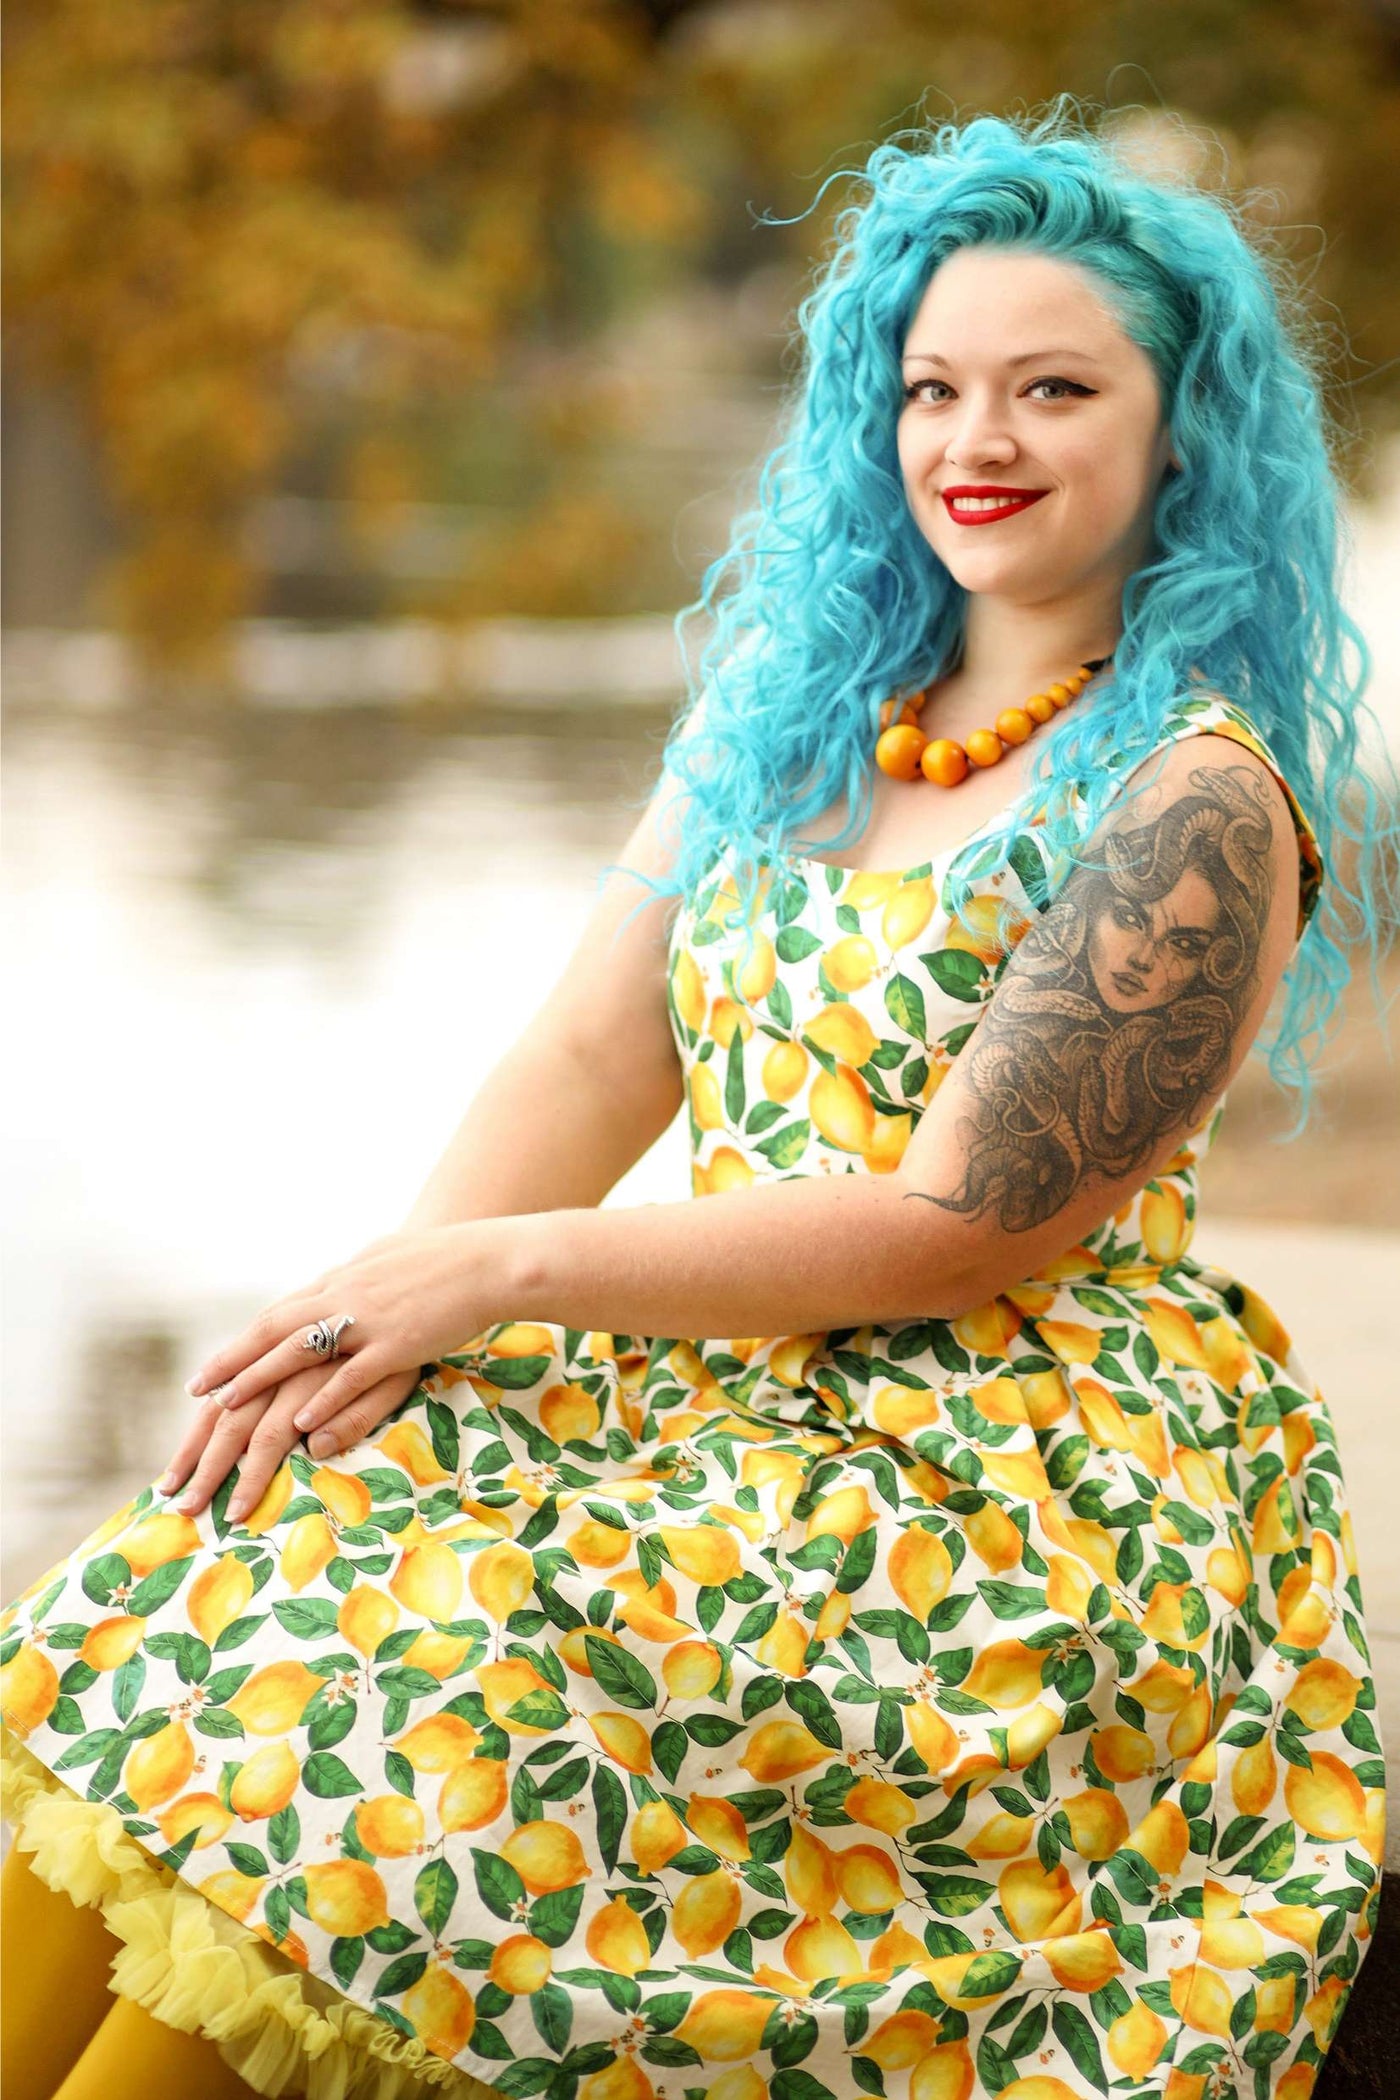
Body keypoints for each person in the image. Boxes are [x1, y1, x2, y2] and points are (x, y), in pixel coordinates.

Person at [2, 98, 1393, 2100]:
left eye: (1051, 388)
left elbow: (961, 1226)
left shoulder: (1194, 797)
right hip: (725, 1362)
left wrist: (503, 1274)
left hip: (1000, 1467)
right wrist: (362, 1321)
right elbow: (586, 1055)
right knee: (260, 1529)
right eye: (931, 388)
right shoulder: (795, 708)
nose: (975, 441)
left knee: (466, 1680)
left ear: (1179, 428)